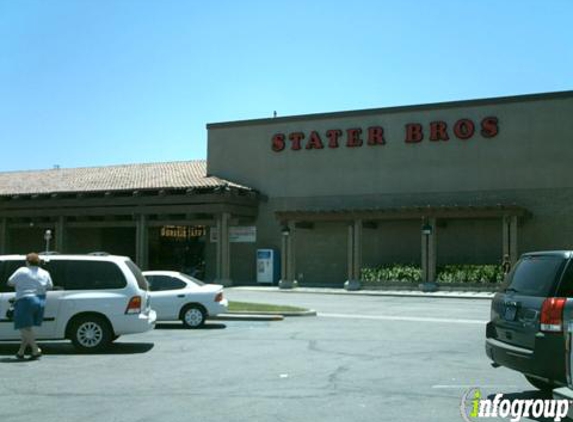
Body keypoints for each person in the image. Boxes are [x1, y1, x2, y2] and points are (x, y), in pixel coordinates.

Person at [7, 252, 53, 360]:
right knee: (28, 328)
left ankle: (35, 349)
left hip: (25, 300)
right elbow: (50, 286)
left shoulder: (22, 270)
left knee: (22, 326)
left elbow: (9, 282)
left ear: (27, 261)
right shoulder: (44, 272)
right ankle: (21, 352)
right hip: (40, 300)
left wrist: (20, 284)